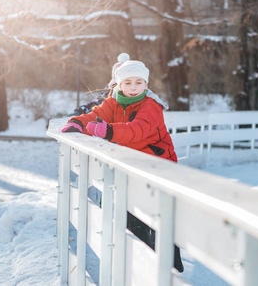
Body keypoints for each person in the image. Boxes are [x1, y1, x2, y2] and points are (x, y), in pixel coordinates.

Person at [61, 59, 183, 271]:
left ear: (146, 84)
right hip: (131, 166)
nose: (133, 88)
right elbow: (95, 115)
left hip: (158, 166)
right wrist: (78, 123)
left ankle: (171, 264)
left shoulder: (151, 106)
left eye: (138, 82)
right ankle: (142, 262)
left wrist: (108, 131)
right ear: (119, 84)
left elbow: (138, 131)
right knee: (129, 214)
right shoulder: (113, 102)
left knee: (156, 215)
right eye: (127, 83)